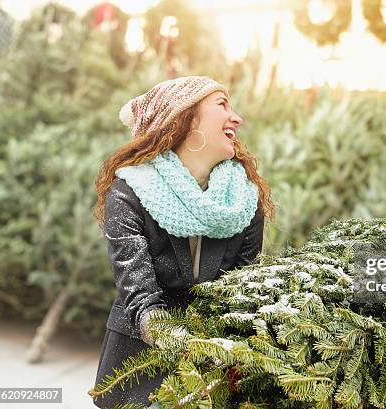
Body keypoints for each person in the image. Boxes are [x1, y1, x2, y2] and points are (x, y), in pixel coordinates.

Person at [90, 76, 274, 408]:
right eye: (222, 105)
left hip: (214, 375)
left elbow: (240, 295)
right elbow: (139, 296)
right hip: (137, 367)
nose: (237, 118)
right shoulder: (130, 193)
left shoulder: (244, 201)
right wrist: (180, 341)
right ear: (184, 119)